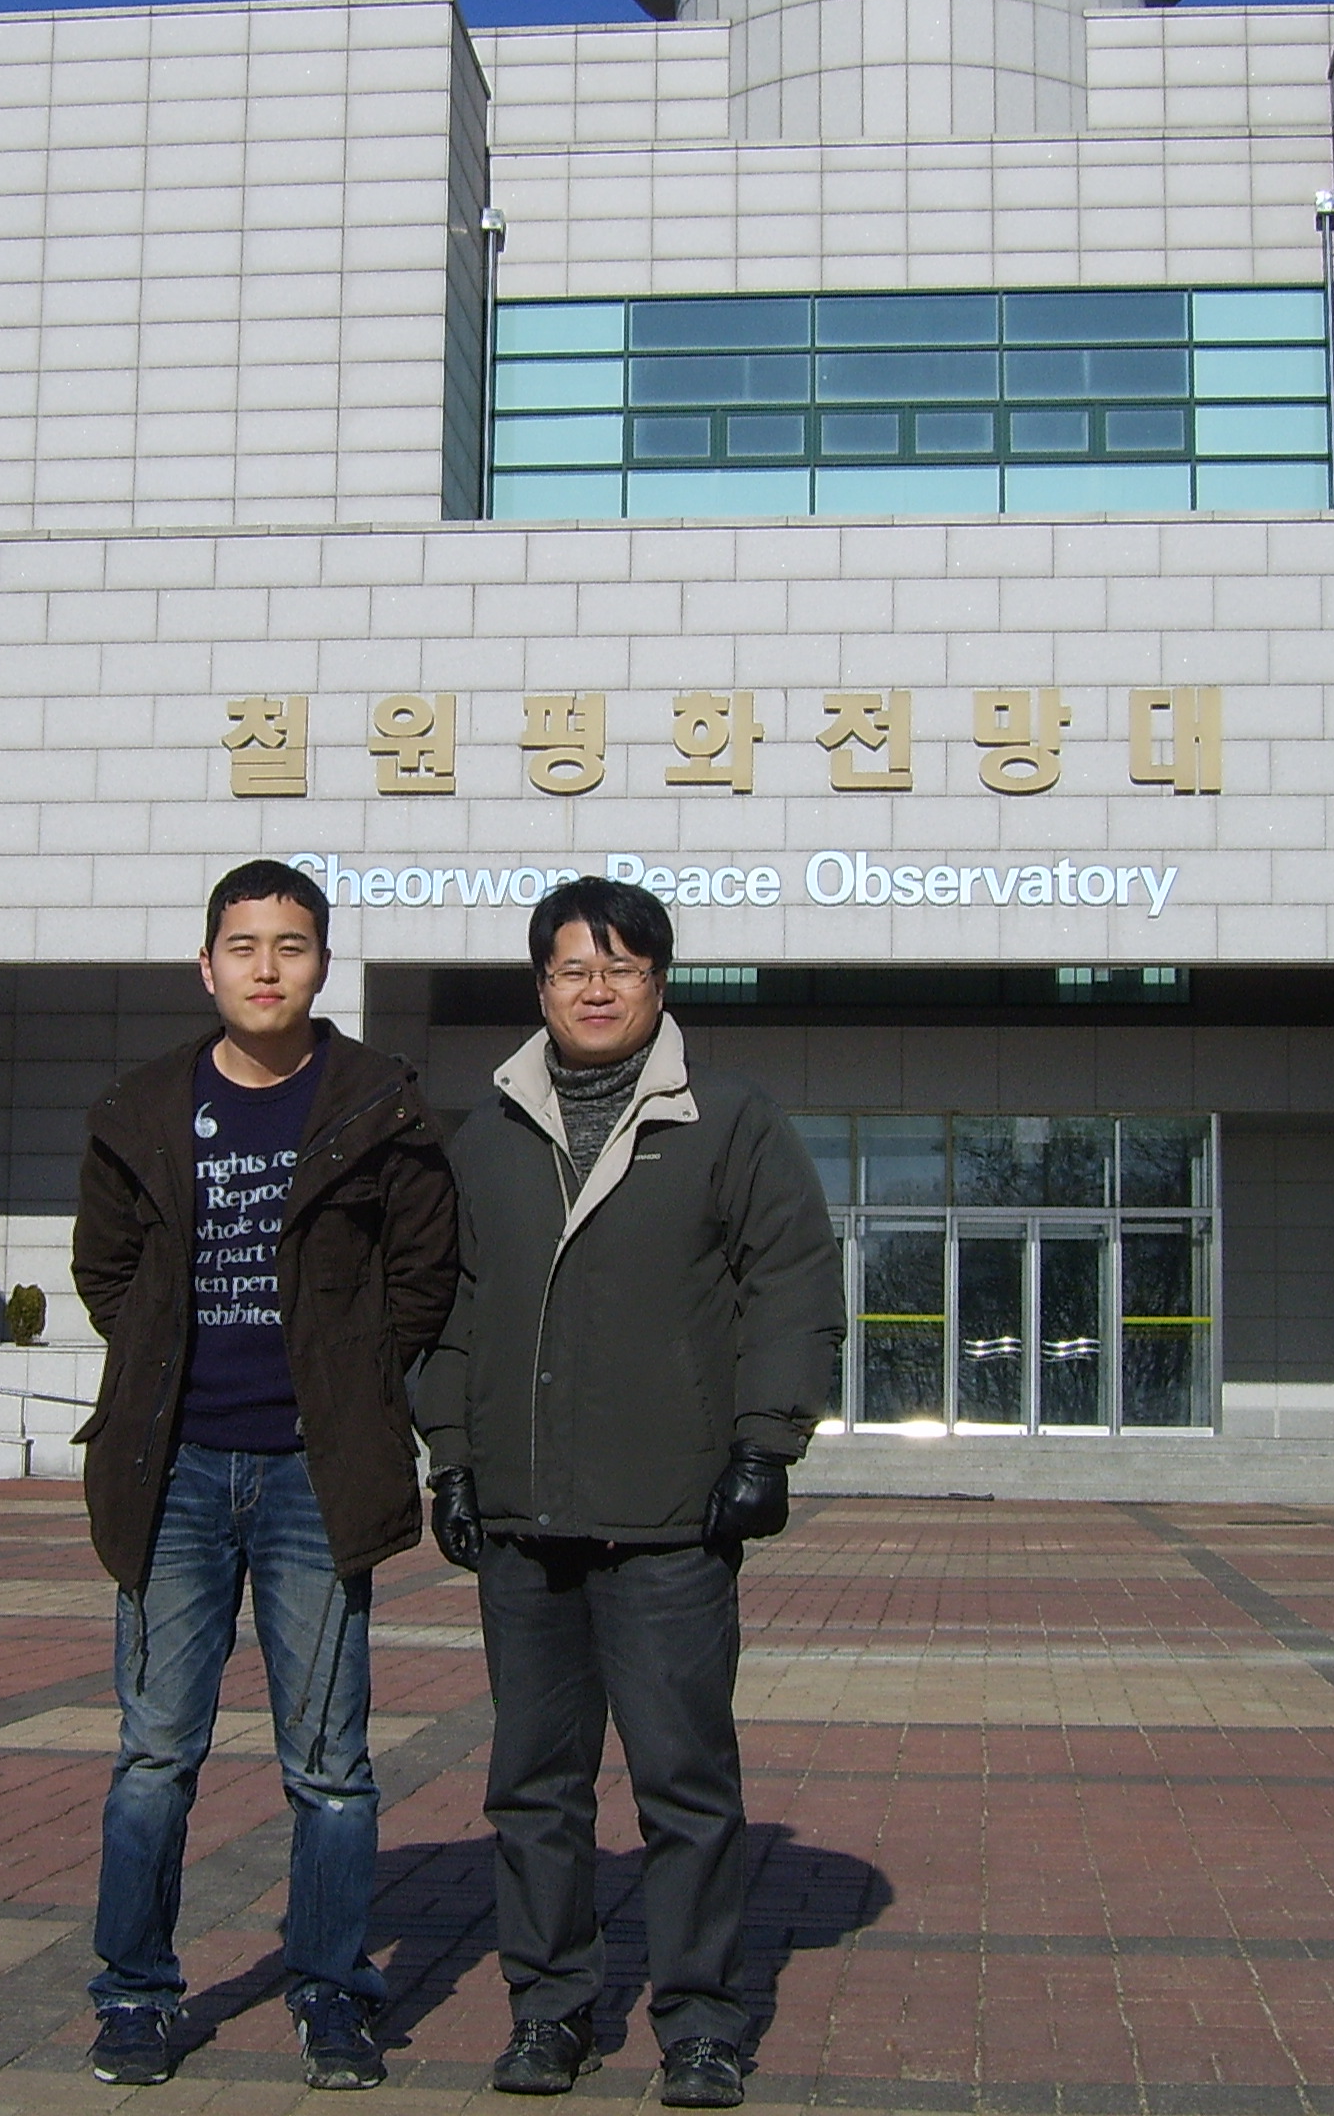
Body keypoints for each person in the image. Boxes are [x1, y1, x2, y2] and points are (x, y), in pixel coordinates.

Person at [412, 878, 843, 2109]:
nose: (595, 989)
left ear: (660, 981)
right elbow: (450, 1310)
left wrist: (764, 1446)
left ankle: (702, 2023)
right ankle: (549, 2012)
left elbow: (793, 1284)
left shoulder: (730, 1121)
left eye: (621, 967)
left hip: (672, 1520)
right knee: (533, 1787)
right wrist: (453, 1455)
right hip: (524, 1521)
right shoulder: (488, 1133)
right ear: (539, 986)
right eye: (571, 969)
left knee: (684, 1785)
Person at [71, 859, 459, 2090]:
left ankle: (333, 1992)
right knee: (154, 1757)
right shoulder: (141, 1108)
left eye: (291, 946)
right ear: (207, 966)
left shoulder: (378, 1103)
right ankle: (134, 1995)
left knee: (331, 1765)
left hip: (312, 1478)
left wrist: (352, 1382)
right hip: (174, 1474)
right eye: (243, 946)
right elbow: (106, 1273)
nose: (266, 968)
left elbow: (424, 1275)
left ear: (321, 965)